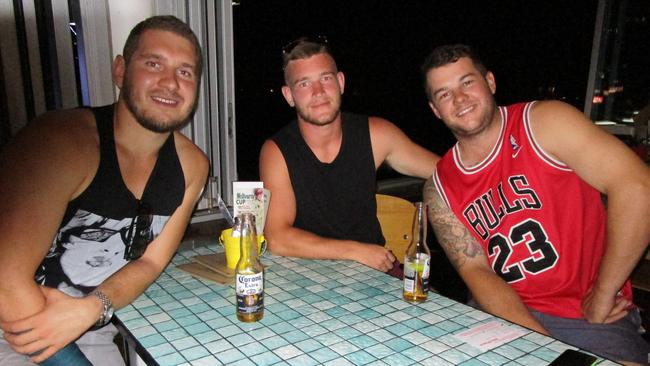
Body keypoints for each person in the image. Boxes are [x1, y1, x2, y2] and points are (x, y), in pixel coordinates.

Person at [421, 44, 650, 364]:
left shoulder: (544, 122)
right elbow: (477, 273)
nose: (459, 99)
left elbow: (638, 187)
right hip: (501, 312)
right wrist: (541, 348)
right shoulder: (439, 187)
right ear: (435, 110)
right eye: (444, 94)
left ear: (490, 82)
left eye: (467, 82)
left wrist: (603, 292)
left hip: (586, 315)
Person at [0, 15, 209, 365]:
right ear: (120, 71)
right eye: (153, 63)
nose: (170, 82)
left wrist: (92, 309)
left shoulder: (192, 167)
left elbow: (150, 261)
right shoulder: (61, 143)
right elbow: (5, 283)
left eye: (185, 72)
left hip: (90, 327)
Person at [259, 37, 439, 274]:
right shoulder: (277, 151)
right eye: (304, 84)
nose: (319, 92)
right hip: (305, 275)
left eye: (326, 78)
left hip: (374, 273)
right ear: (289, 95)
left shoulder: (376, 134)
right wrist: (355, 251)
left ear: (340, 82)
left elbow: (447, 171)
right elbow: (277, 239)